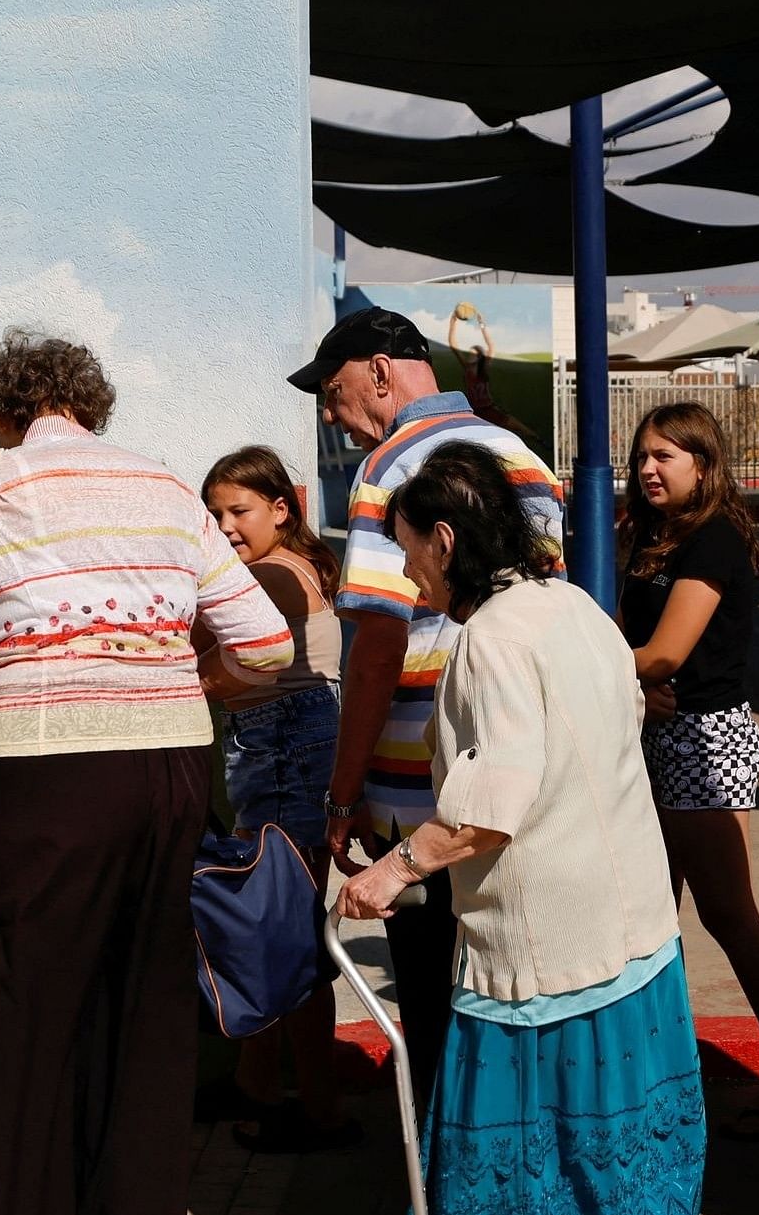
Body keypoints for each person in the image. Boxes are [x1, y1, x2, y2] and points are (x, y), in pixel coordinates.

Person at [0, 330, 292, 1215]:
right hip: (171, 773)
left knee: (26, 1014)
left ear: (3, 410)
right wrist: (187, 681)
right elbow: (268, 645)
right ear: (90, 404)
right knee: (147, 1008)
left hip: (42, 778)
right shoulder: (161, 482)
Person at [337, 442, 703, 1215]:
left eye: (410, 553)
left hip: (550, 958)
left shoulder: (489, 641)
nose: (408, 576)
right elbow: (621, 723)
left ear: (444, 541)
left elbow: (488, 808)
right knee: (629, 1162)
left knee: (532, 1172)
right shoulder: (575, 606)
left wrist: (392, 869)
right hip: (633, 927)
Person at [292, 304, 565, 1102]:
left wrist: (342, 794)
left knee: (437, 1004)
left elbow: (377, 648)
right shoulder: (520, 452)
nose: (331, 414)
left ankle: (445, 1168)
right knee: (504, 995)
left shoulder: (392, 466)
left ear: (380, 372)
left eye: (335, 392)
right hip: (519, 776)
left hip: (424, 798)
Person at [615, 400, 759, 1136]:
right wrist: (632, 680)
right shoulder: (655, 535)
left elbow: (664, 653)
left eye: (666, 455)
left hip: (703, 742)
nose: (649, 468)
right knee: (649, 916)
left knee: (727, 912)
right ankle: (657, 1076)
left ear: (703, 464)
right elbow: (641, 651)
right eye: (642, 456)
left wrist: (604, 670)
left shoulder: (712, 538)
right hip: (658, 739)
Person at [196, 444, 359, 1153]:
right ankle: (260, 1084)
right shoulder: (300, 563)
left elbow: (218, 665)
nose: (225, 524)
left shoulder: (268, 575)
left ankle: (314, 1108)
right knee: (277, 928)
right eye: (215, 512)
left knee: (284, 933)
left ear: (281, 509)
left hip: (285, 763)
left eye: (240, 509)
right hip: (287, 759)